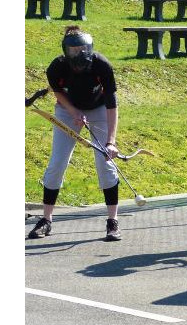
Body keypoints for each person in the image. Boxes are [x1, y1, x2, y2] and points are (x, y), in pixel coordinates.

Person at [27, 26, 123, 242]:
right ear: (65, 50)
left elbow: (111, 103)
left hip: (99, 110)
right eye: (74, 49)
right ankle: (46, 220)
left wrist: (111, 141)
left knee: (105, 163)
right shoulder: (57, 67)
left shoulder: (102, 65)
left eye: (83, 48)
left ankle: (112, 221)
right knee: (57, 163)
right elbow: (58, 93)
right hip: (67, 110)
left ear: (90, 47)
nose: (79, 53)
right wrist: (73, 112)